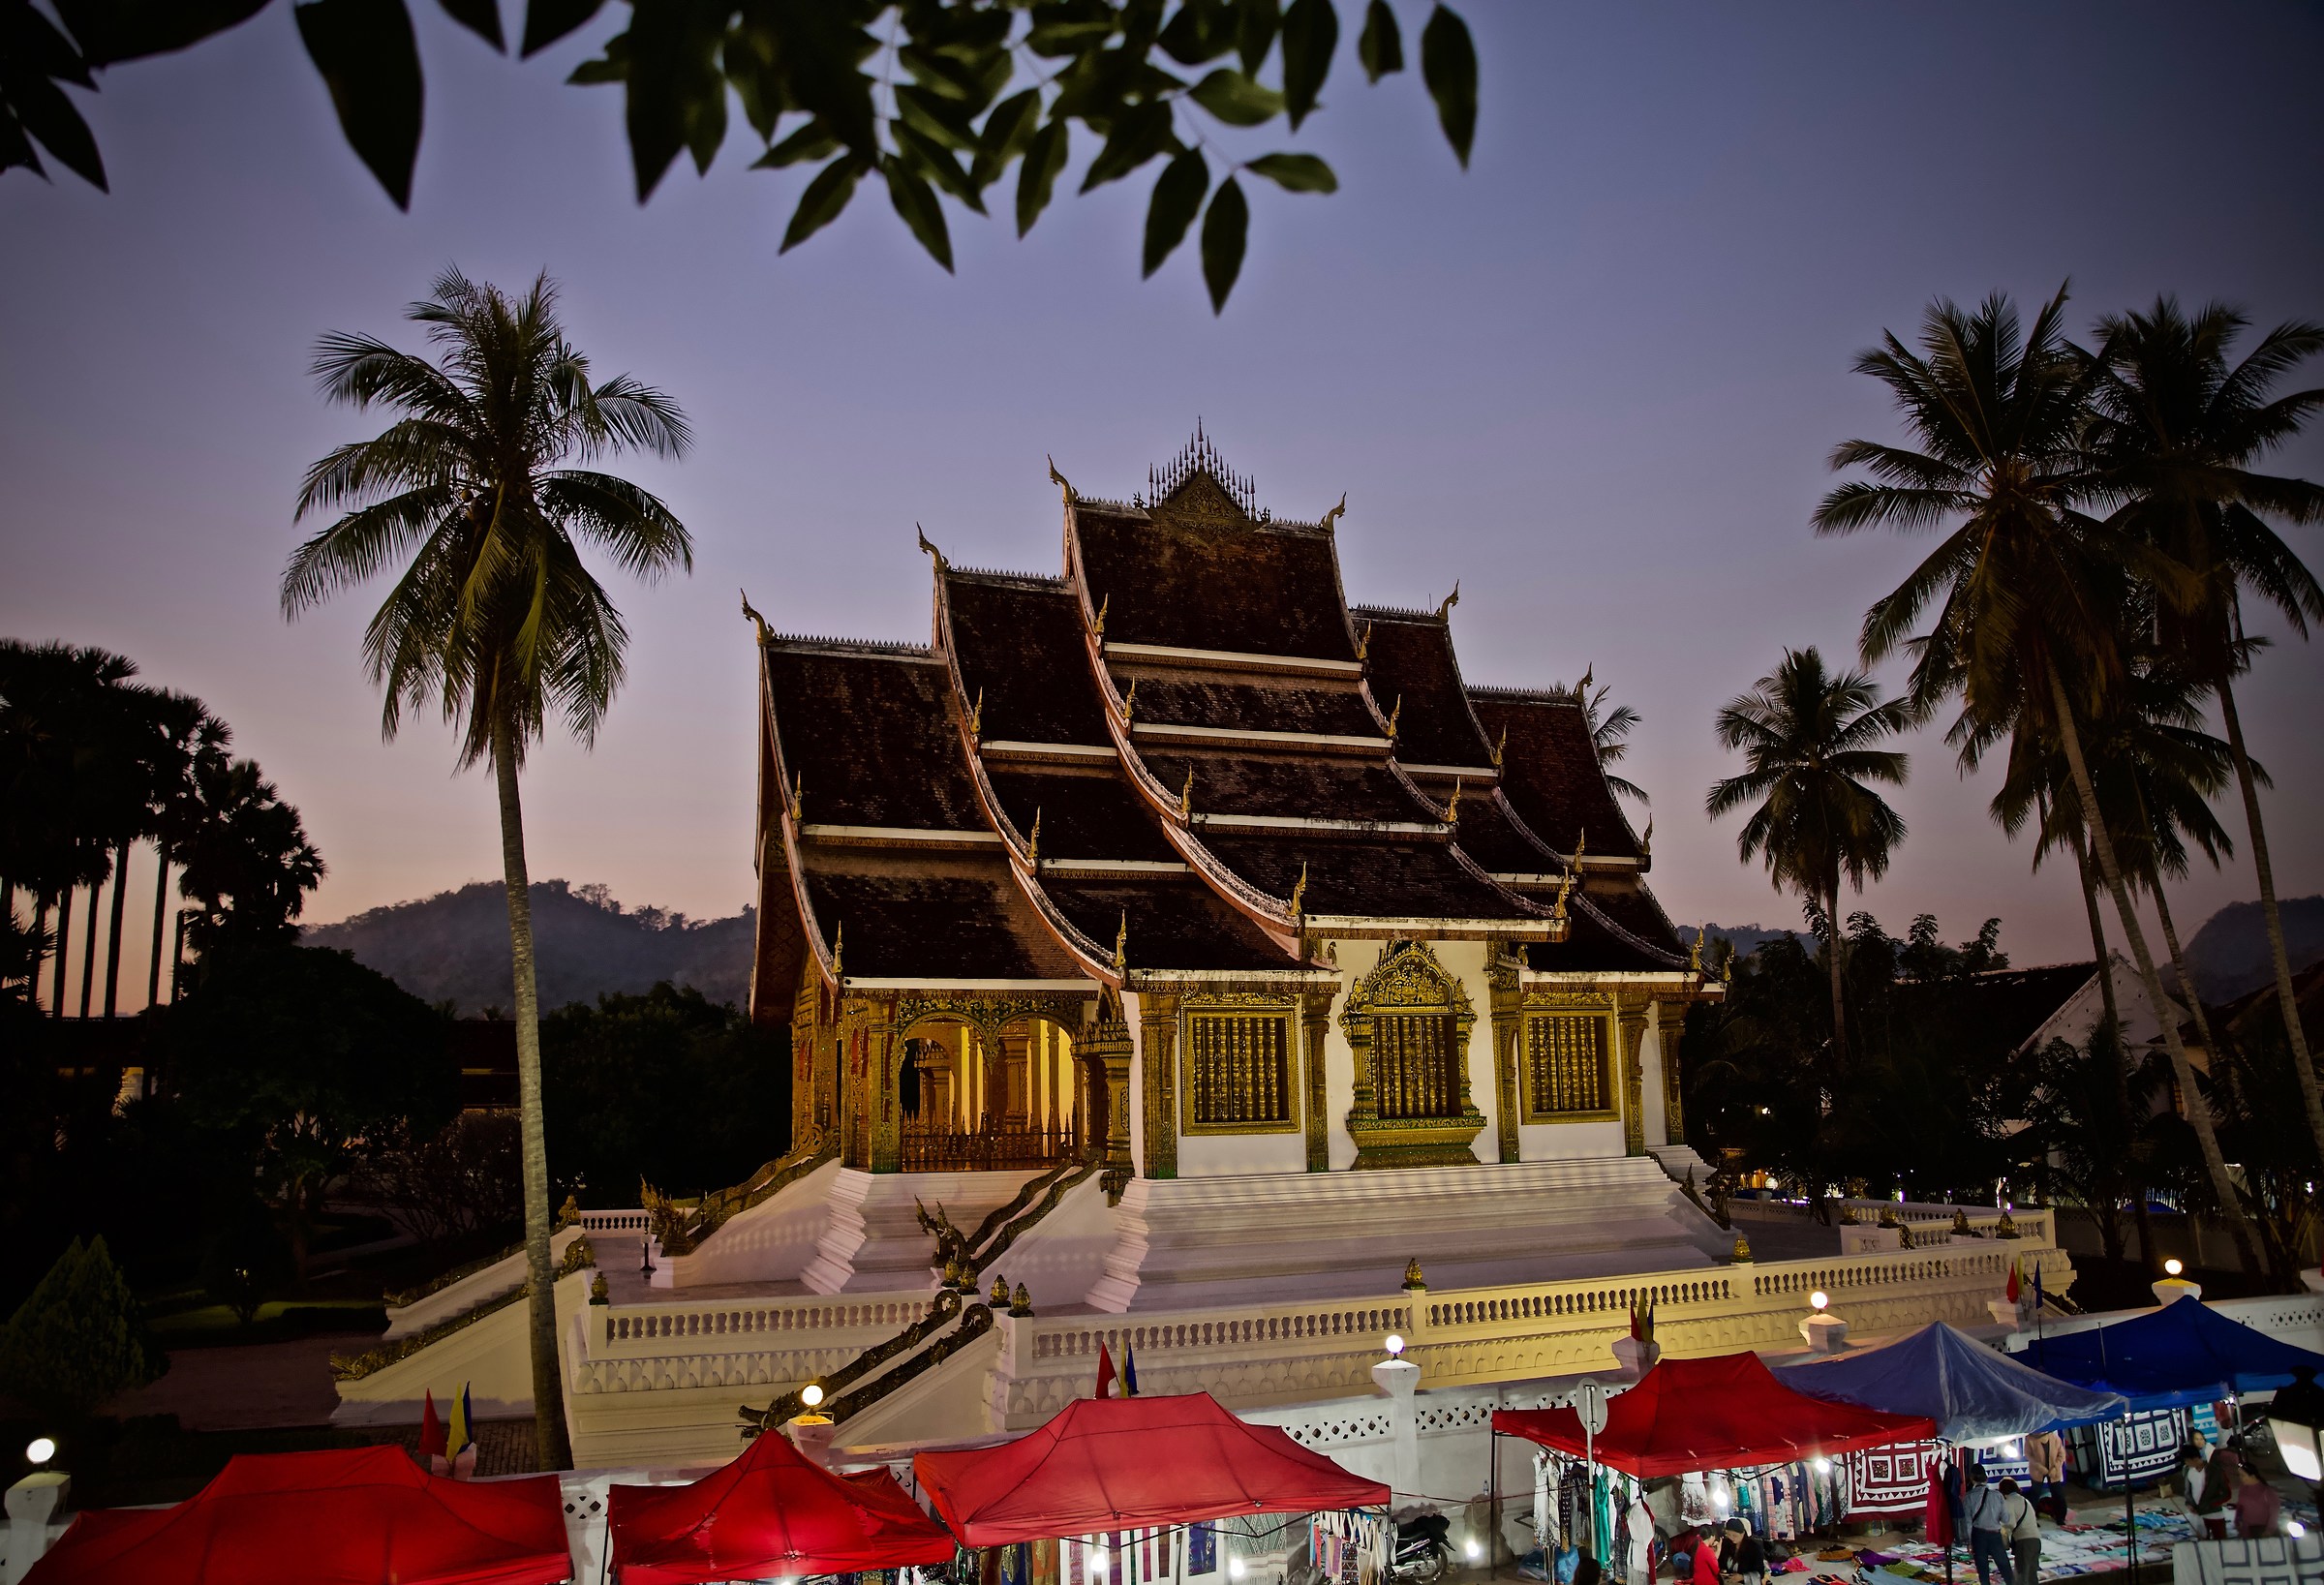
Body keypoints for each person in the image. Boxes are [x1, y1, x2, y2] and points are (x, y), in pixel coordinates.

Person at [1962, 1467, 2016, 1585]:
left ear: (1972, 1479)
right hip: (1995, 1535)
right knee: (2004, 1567)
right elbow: (2006, 1519)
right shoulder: (1997, 1495)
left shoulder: (1969, 1497)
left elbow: (1968, 1522)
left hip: (1978, 1535)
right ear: (1986, 1479)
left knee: (1983, 1569)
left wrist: (1969, 1542)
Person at [1999, 1478, 2040, 1585]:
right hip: (2036, 1540)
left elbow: (2011, 1523)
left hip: (2024, 1542)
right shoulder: (2025, 1500)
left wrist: (2001, 1527)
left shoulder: (2009, 1502)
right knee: (2032, 1575)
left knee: (2022, 1575)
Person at [2232, 1464, 2283, 1539]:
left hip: (2261, 1530)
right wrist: (2237, 1519)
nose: (2240, 1478)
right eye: (2239, 1475)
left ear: (2252, 1476)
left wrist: (2269, 1531)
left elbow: (2274, 1512)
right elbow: (2240, 1505)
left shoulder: (2266, 1491)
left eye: (2243, 1475)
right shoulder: (2243, 1489)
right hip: (2246, 1529)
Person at [2026, 1432, 2067, 1514]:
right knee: (2035, 1495)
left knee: (2058, 1494)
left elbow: (2062, 1455)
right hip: (2037, 1471)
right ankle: (2031, 1518)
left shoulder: (2054, 1438)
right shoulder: (2030, 1439)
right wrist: (2040, 1467)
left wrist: (2055, 1468)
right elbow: (2028, 1455)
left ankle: (2060, 1517)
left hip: (2054, 1471)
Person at [1724, 1521, 1765, 1585]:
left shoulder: (1754, 1548)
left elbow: (1760, 1572)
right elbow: (1721, 1562)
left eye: (1735, 1535)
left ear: (1743, 1533)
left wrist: (1743, 1577)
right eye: (1729, 1535)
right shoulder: (1726, 1543)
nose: (1731, 1538)